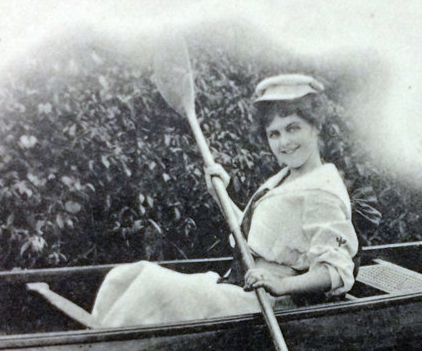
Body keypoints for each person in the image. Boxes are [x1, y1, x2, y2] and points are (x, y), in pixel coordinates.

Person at [27, 73, 358, 328]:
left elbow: (337, 270)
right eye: (275, 133)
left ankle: (107, 349)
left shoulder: (322, 189)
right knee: (128, 275)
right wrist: (222, 195)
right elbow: (257, 238)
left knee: (154, 286)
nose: (284, 142)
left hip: (267, 306)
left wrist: (283, 285)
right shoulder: (287, 177)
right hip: (239, 287)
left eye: (293, 128)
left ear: (316, 127)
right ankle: (104, 338)